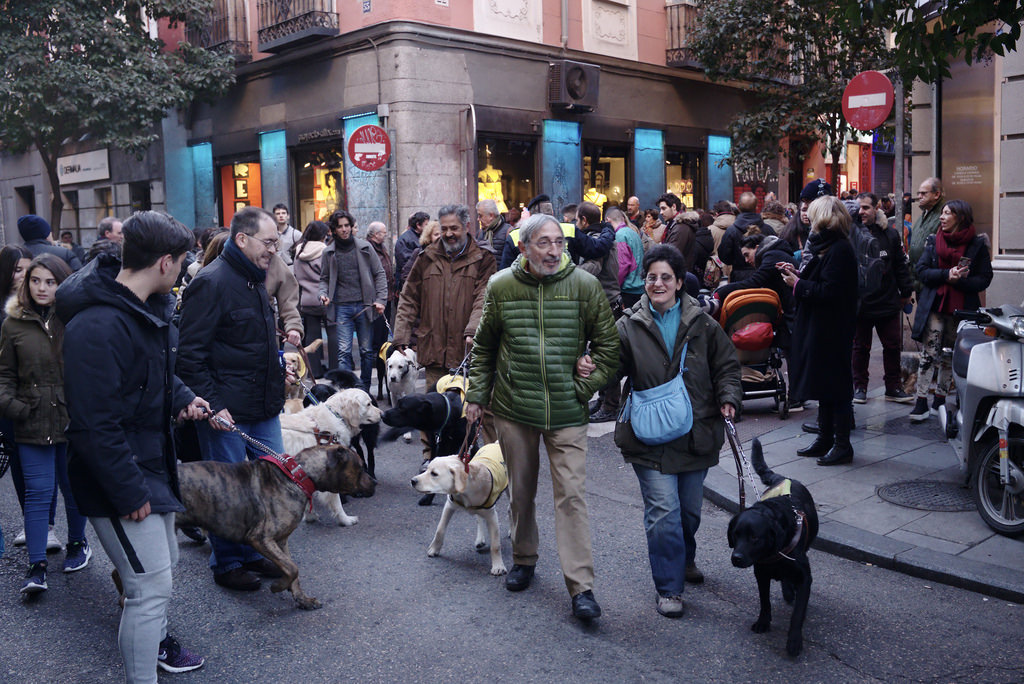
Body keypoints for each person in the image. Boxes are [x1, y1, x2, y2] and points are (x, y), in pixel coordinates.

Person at [59, 211, 209, 679]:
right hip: (122, 476)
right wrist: (129, 492)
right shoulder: (97, 325)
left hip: (149, 464)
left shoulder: (146, 309)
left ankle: (153, 658)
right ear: (164, 262)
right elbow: (92, 425)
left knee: (157, 583)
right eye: (183, 262)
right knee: (148, 589)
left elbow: (148, 376)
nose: (185, 271)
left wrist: (183, 398)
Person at [465, 213, 619, 621]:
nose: (553, 251)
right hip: (515, 408)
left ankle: (581, 587)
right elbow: (484, 348)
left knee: (571, 495)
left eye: (559, 243)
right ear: (524, 248)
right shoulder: (501, 286)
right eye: (544, 243)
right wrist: (477, 397)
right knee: (521, 490)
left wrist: (586, 386)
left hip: (568, 410)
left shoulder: (584, 286)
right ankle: (525, 557)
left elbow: (608, 348)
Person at [614, 244, 741, 618]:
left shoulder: (704, 324)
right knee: (664, 512)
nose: (657, 283)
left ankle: (684, 558)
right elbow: (610, 368)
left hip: (696, 432)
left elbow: (727, 366)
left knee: (688, 512)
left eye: (665, 277)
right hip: (647, 435)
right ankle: (669, 587)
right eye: (651, 277)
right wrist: (589, 369)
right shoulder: (628, 325)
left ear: (680, 281)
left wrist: (729, 397)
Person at [177, 206, 289, 591]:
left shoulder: (256, 277)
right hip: (225, 410)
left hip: (263, 404)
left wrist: (280, 368)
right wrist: (211, 401)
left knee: (272, 481)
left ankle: (257, 551)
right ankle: (226, 562)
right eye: (269, 241)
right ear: (242, 239)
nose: (274, 249)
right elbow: (189, 355)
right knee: (226, 493)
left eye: (277, 241)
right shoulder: (210, 282)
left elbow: (256, 341)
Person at [0, 253, 89, 594]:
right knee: (38, 495)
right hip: (31, 422)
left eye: (50, 281)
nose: (41, 287)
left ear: (62, 284)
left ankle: (78, 544)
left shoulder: (75, 319)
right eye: (35, 280)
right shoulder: (13, 324)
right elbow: (4, 375)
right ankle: (36, 566)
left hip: (72, 419)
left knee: (74, 488)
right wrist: (14, 407)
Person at [394, 203, 497, 467]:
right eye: (445, 228)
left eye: (455, 228)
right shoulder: (426, 257)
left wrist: (473, 330)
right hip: (434, 344)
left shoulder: (484, 259)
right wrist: (401, 335)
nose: (450, 234)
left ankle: (485, 459)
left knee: (477, 407)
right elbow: (408, 297)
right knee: (430, 407)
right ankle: (430, 459)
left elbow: (484, 298)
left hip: (471, 348)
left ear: (466, 227)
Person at [782, 196, 859, 466]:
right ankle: (825, 438)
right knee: (825, 386)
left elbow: (831, 292)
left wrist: (797, 285)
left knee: (835, 387)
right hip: (823, 327)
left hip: (832, 329)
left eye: (812, 214)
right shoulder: (828, 247)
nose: (808, 219)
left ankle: (841, 444)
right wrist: (798, 275)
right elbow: (822, 282)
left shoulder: (839, 250)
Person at [908, 199, 992, 422]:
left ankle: (940, 399)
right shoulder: (933, 240)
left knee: (949, 355)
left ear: (960, 217)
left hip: (961, 308)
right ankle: (921, 401)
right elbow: (922, 271)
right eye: (942, 213)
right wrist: (946, 275)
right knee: (928, 354)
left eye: (947, 213)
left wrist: (960, 281)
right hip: (935, 305)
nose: (942, 217)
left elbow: (984, 278)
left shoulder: (977, 244)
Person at [851, 193, 915, 405]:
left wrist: (906, 292)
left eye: (866, 207)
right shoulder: (850, 234)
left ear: (876, 208)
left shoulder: (890, 235)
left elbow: (900, 264)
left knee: (892, 346)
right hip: (861, 303)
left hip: (887, 301)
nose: (862, 212)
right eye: (859, 208)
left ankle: (893, 387)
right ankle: (859, 387)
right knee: (860, 347)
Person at [317, 210, 388, 390]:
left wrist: (381, 299)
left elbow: (379, 273)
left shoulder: (365, 247)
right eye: (340, 226)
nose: (344, 230)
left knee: (366, 351)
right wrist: (323, 293)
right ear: (333, 230)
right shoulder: (328, 252)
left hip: (364, 305)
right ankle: (346, 391)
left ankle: (363, 389)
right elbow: (324, 278)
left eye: (347, 225)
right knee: (343, 352)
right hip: (341, 307)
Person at [715, 233, 796, 352]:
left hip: (795, 316)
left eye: (747, 255)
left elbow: (753, 282)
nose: (747, 260)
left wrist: (720, 292)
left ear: (757, 248)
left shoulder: (771, 255)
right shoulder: (776, 253)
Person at [293, 220, 337, 377]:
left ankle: (314, 371)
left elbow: (296, 276)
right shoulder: (325, 251)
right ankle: (334, 370)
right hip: (325, 298)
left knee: (312, 335)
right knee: (333, 333)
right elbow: (330, 276)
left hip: (307, 299)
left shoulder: (299, 252)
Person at [719, 191, 775, 283]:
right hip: (763, 277)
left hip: (739, 279)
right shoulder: (768, 229)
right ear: (756, 207)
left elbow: (724, 256)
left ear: (738, 206)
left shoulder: (731, 231)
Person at [366, 220, 398, 355]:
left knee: (384, 328)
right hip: (376, 296)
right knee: (377, 328)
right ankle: (375, 353)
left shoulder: (381, 247)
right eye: (383, 233)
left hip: (387, 294)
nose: (386, 235)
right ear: (375, 234)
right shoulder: (368, 248)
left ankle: (381, 352)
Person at [908, 177, 946, 291]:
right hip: (920, 281)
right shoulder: (922, 216)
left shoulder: (943, 217)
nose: (919, 196)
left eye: (924, 193)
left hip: (933, 283)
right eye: (919, 193)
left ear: (936, 194)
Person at [17, 214, 82, 270]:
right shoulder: (65, 253)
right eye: (50, 232)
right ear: (46, 234)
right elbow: (80, 278)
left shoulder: (17, 254)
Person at [395, 211, 429, 292]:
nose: (428, 228)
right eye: (426, 225)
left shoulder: (422, 237)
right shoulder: (405, 239)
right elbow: (405, 265)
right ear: (418, 225)